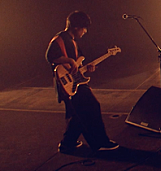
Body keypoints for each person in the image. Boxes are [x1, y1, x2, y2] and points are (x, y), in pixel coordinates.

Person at [45, 11, 119, 153]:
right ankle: (100, 142)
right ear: (76, 27)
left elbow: (78, 65)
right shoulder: (59, 40)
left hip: (74, 82)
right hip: (66, 84)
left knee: (77, 114)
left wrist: (87, 68)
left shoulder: (73, 42)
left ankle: (68, 143)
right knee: (92, 107)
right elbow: (50, 56)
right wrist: (69, 60)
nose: (85, 32)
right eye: (84, 28)